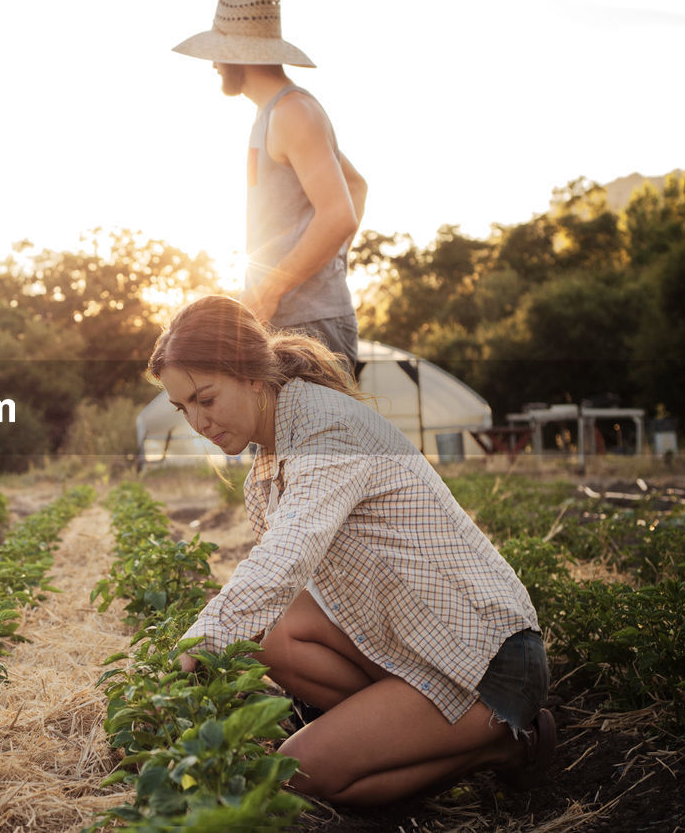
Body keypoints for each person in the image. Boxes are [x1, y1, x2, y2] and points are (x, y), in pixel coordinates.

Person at [148, 295, 555, 806]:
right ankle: (392, 735)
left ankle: (503, 744)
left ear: (252, 375)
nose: (198, 423)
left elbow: (285, 556)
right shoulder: (272, 454)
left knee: (296, 777)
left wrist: (195, 645)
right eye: (182, 408)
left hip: (487, 662)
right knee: (269, 636)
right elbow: (281, 591)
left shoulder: (325, 429)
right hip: (420, 644)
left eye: (206, 399)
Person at [174, 0, 366, 372]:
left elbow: (339, 214)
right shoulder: (271, 115)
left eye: (218, 53)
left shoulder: (294, 113)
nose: (213, 64)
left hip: (310, 328)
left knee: (312, 434)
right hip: (289, 323)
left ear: (239, 56)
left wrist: (269, 291)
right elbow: (357, 186)